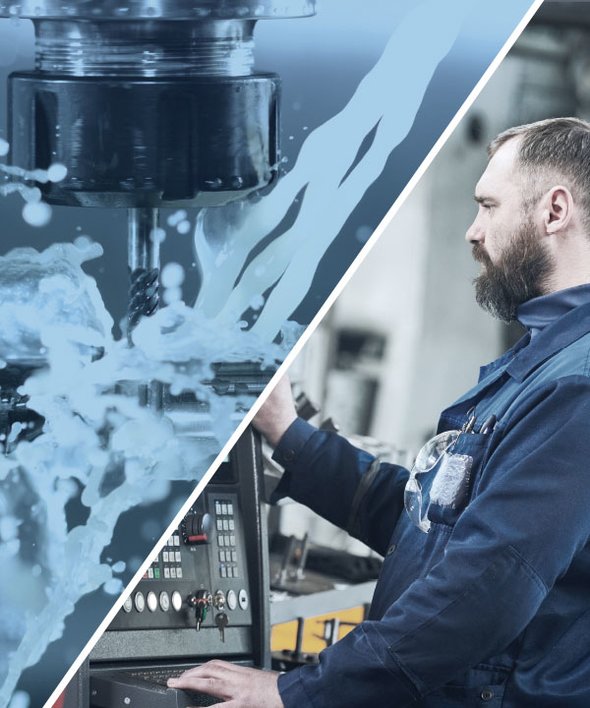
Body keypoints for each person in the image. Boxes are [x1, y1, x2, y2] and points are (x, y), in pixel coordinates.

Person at [169, 117, 590, 706]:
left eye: (489, 206)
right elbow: (432, 523)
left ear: (553, 211)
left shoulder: (576, 387)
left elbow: (487, 585)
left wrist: (299, 692)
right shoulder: (545, 363)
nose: (472, 231)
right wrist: (289, 432)